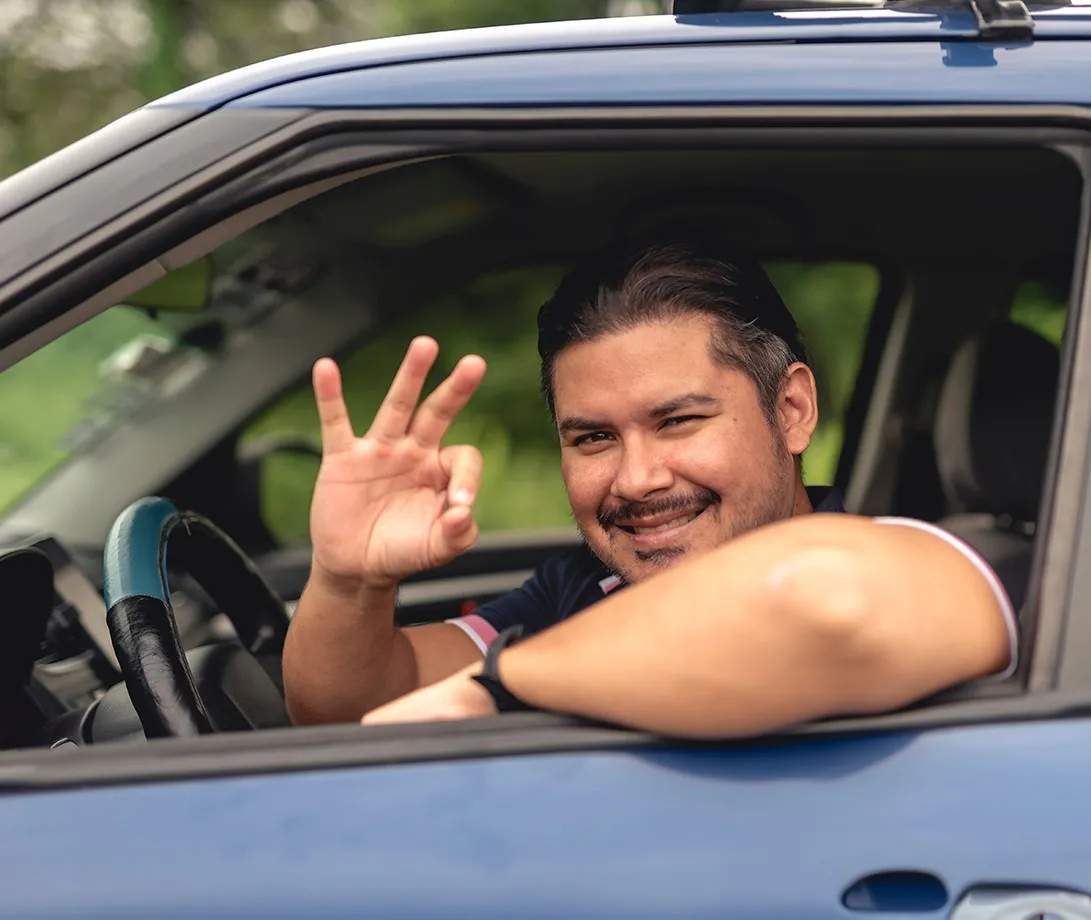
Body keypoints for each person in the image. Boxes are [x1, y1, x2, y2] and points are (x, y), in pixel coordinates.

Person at [281, 241, 1018, 738]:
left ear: (790, 410)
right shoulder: (578, 592)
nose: (636, 480)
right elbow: (361, 708)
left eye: (679, 421)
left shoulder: (902, 557)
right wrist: (348, 581)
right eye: (594, 438)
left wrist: (497, 685)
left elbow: (826, 604)